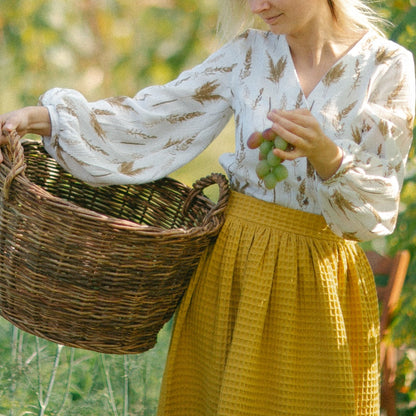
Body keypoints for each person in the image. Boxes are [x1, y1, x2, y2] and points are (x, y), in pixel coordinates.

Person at [0, 0, 414, 414]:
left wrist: (327, 155)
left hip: (318, 283)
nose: (257, 6)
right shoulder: (249, 53)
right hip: (234, 269)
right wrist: (43, 118)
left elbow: (374, 212)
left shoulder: (386, 67)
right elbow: (153, 118)